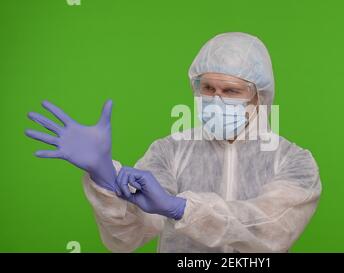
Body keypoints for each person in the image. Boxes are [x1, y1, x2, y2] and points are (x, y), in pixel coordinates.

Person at [25, 32, 322, 253]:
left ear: (260, 96)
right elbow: (128, 237)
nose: (216, 100)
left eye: (231, 91)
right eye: (208, 88)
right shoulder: (170, 151)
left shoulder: (293, 161)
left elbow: (270, 230)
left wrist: (181, 208)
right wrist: (105, 179)